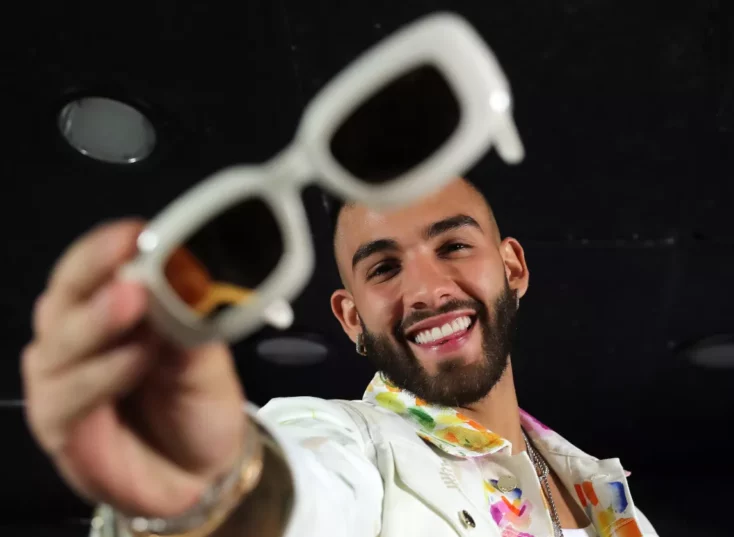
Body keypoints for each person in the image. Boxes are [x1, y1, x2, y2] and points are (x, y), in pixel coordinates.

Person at [22, 177, 659, 537]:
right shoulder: (351, 446)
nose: (425, 290)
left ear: (512, 268)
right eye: (383, 268)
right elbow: (297, 496)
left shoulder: (606, 493)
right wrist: (212, 486)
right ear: (351, 317)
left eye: (453, 246)